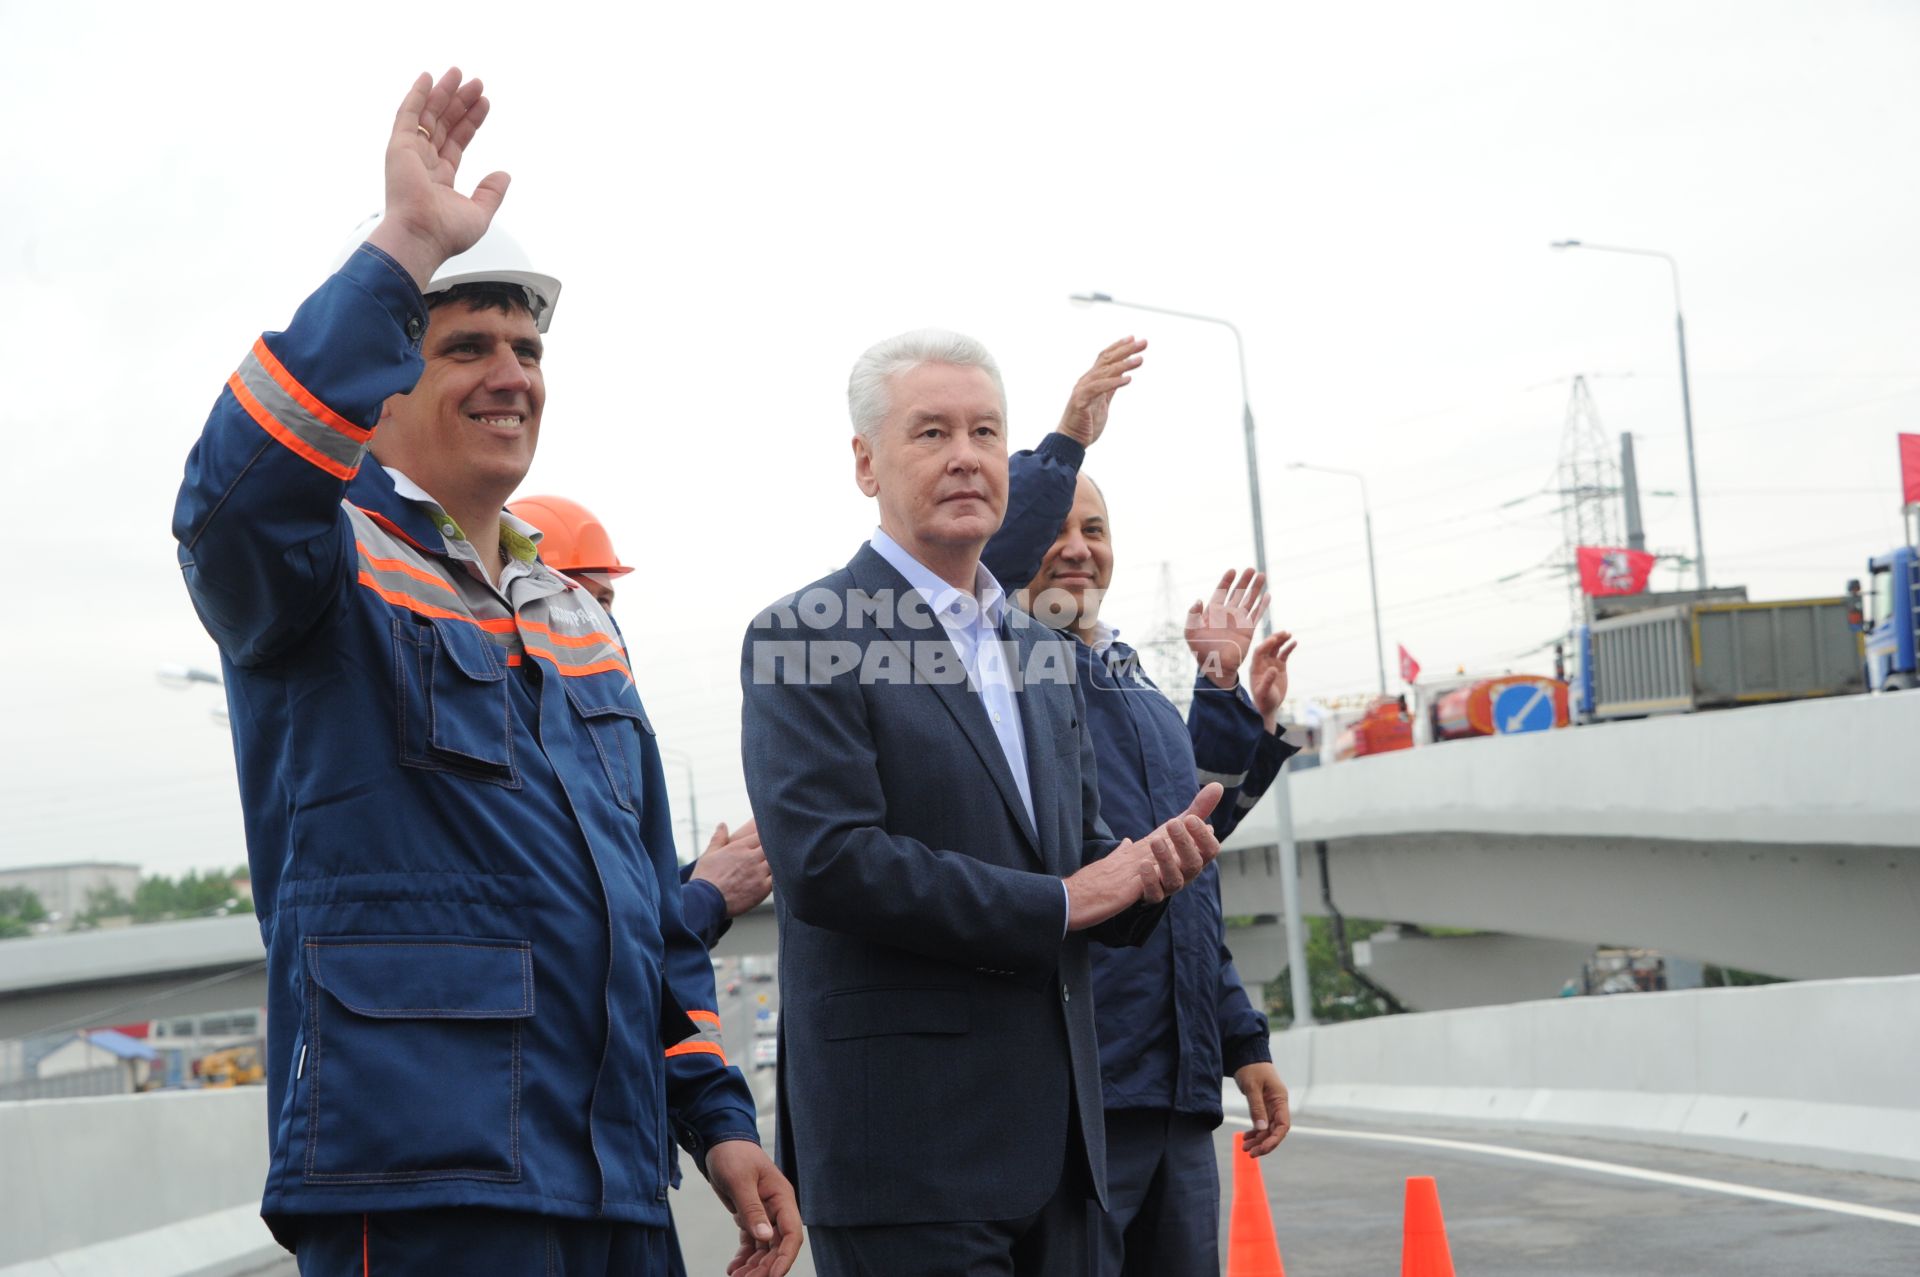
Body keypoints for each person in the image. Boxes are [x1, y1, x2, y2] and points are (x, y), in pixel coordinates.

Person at [171, 70, 799, 1276]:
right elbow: (230, 501)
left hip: (616, 1183)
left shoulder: (574, 618)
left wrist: (714, 1119)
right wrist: (403, 245)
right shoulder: (324, 566)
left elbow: (644, 914)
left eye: (527, 346)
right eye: (467, 345)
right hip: (426, 1177)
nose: (512, 372)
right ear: (384, 379)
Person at [739, 328, 1225, 1277]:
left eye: (985, 432)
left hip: (1067, 1159)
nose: (966, 455)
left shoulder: (1042, 651)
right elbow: (832, 864)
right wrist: (1066, 899)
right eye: (931, 432)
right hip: (908, 1159)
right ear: (865, 462)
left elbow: (1084, 859)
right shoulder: (805, 633)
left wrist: (1149, 875)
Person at [982, 337, 1300, 1277]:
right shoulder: (1003, 662)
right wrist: (1067, 441)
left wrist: (1226, 696)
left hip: (1173, 1088)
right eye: (1057, 527)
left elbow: (1189, 855)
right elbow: (992, 564)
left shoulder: (1124, 678)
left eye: (1098, 530)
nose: (1077, 549)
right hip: (1081, 1094)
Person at [508, 493, 775, 948]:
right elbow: (575, 937)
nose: (594, 619)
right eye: (571, 597)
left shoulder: (606, 729)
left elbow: (616, 893)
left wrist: (692, 882)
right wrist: (709, 896)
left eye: (604, 601)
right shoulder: (510, 734)